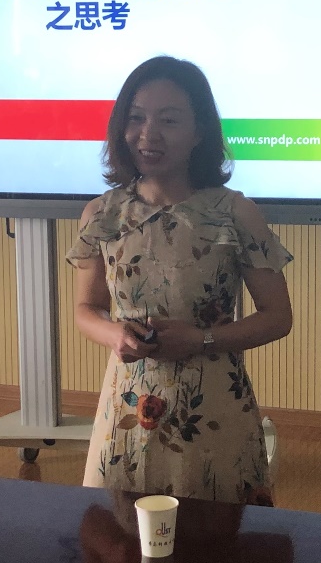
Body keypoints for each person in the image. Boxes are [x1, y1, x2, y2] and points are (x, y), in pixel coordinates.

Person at [66, 56, 293, 506]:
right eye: (136, 118)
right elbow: (85, 310)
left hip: (214, 408)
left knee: (219, 536)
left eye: (169, 120)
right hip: (126, 407)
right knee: (121, 536)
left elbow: (278, 317)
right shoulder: (102, 213)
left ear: (199, 131)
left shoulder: (234, 212)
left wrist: (201, 339)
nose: (148, 134)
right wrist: (115, 334)